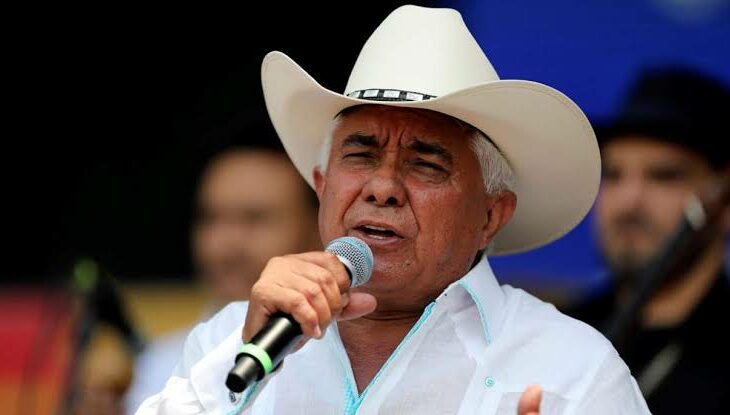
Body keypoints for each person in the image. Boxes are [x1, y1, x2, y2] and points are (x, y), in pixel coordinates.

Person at [137, 5, 649, 414]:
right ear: (322, 187)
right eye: (361, 155)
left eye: (425, 164)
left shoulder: (572, 371)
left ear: (490, 216)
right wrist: (238, 369)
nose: (382, 188)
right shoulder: (231, 339)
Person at [566, 67, 730, 413]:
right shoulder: (560, 334)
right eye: (613, 175)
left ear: (724, 202)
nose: (629, 202)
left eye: (664, 176)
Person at [125, 139, 320, 413]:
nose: (227, 243)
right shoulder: (161, 361)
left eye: (255, 218)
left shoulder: (352, 355)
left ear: (317, 226)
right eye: (211, 218)